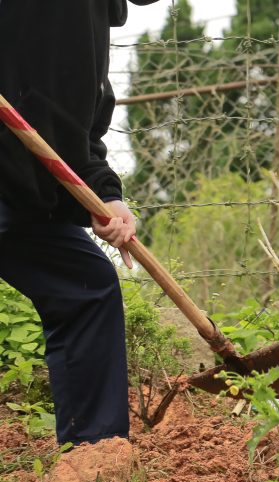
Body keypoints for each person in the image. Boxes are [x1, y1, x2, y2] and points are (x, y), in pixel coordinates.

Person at [0, 0, 159, 445]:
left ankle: (95, 460)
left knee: (86, 287)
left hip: (23, 187)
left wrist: (105, 194)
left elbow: (79, 128)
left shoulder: (94, 14)